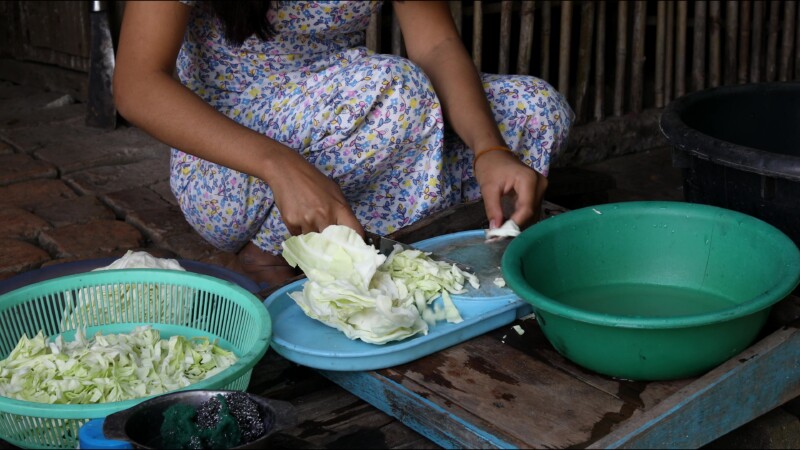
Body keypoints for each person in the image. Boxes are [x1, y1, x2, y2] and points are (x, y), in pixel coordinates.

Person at [113, 1, 573, 287]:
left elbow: (435, 43)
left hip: (352, 116)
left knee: (535, 109)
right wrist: (280, 165)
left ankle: (389, 239)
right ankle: (270, 250)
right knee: (394, 88)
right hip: (232, 166)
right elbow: (136, 85)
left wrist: (488, 150)